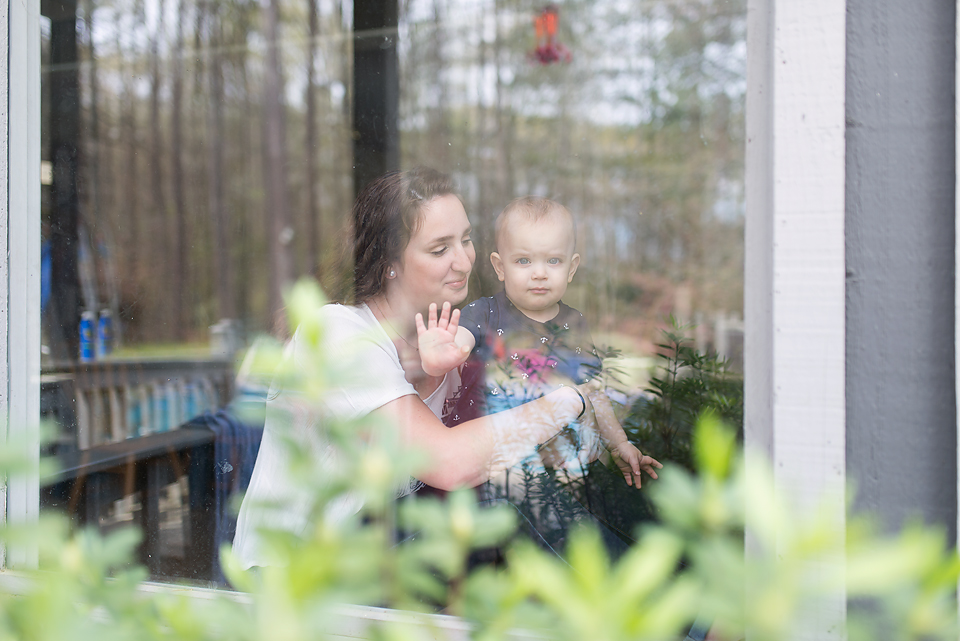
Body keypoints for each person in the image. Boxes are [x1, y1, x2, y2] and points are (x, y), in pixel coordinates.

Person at [232, 169, 591, 570]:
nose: (464, 261)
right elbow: (451, 462)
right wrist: (572, 397)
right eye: (440, 249)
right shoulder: (337, 333)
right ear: (391, 264)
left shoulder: (450, 347)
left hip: (389, 573)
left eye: (467, 240)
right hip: (298, 585)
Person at [416, 196, 662, 487]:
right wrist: (442, 349)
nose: (540, 273)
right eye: (523, 260)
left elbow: (593, 391)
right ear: (500, 266)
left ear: (571, 268)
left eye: (553, 261)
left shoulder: (576, 323)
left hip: (556, 478)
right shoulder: (486, 312)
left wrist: (619, 444)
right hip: (493, 470)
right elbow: (461, 339)